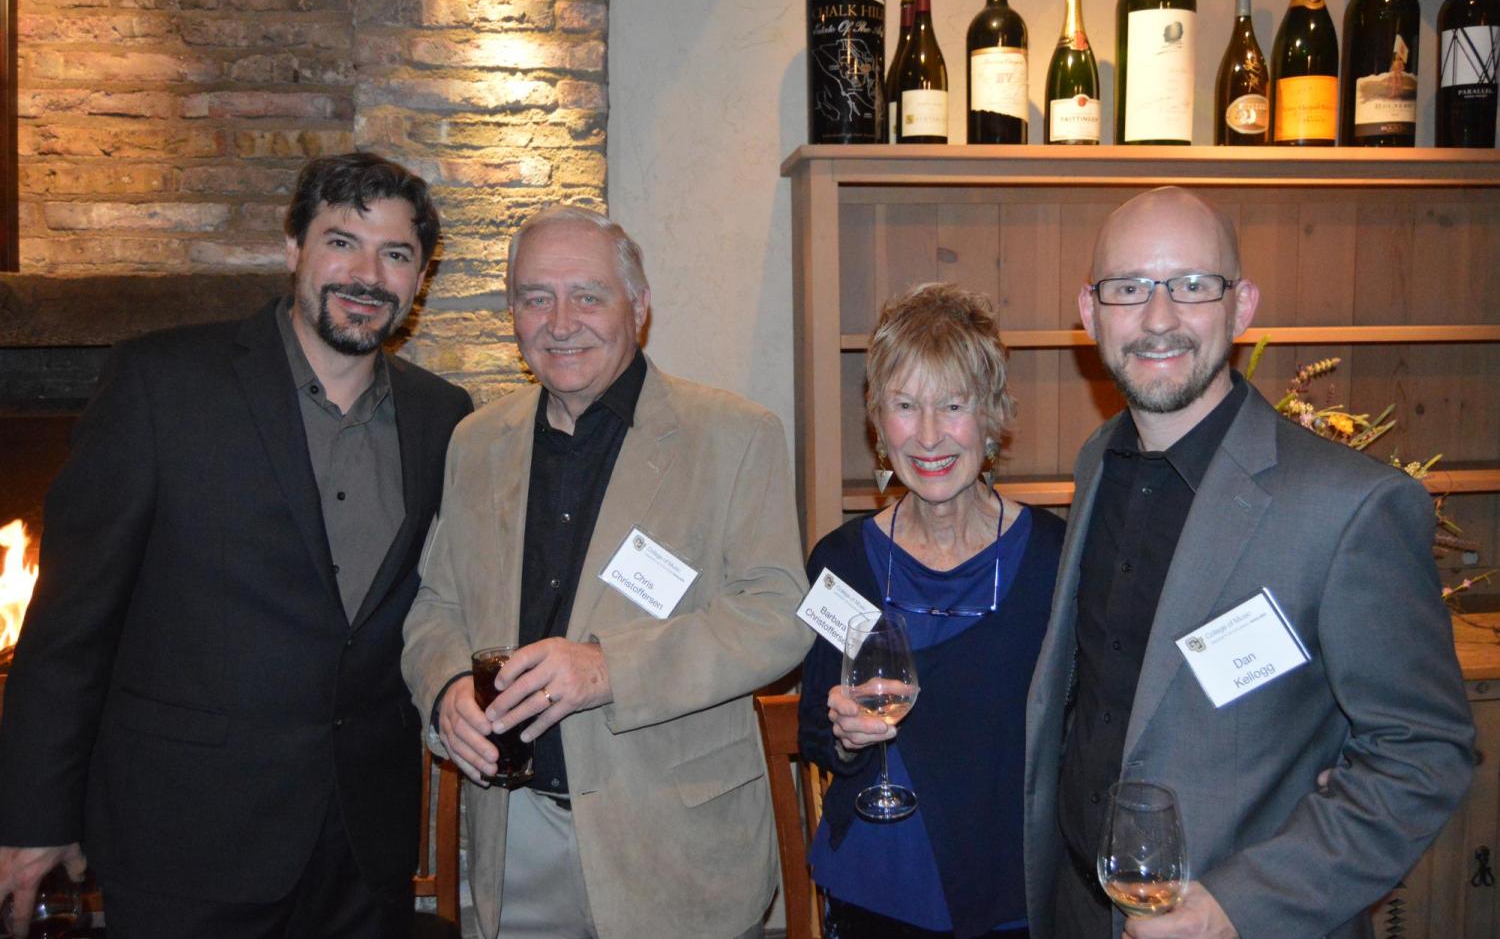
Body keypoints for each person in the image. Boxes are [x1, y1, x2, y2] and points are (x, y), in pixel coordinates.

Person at [0, 152, 473, 938]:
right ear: (292, 250)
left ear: (419, 279)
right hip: (186, 840)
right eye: (340, 242)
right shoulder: (162, 383)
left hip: (362, 845)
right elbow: (70, 622)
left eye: (395, 254)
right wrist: (35, 813)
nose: (366, 273)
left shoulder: (443, 416)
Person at [1022, 186, 1475, 939]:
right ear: (1090, 310)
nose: (1159, 318)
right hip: (1077, 903)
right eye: (1129, 288)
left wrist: (1237, 907)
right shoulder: (1099, 460)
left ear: (1242, 306)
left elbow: (1424, 754)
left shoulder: (1351, 507)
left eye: (1194, 286)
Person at [400, 204, 813, 939]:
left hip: (677, 848)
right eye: (535, 297)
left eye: (588, 295)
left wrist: (606, 668)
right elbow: (437, 604)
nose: (561, 321)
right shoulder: (475, 441)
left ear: (640, 308)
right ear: (512, 312)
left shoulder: (735, 436)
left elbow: (777, 614)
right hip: (515, 840)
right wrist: (445, 691)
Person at [798, 283, 1064, 939]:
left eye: (953, 405)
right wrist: (845, 736)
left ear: (993, 415)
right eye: (905, 406)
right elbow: (814, 730)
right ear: (878, 421)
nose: (928, 436)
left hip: (1020, 890)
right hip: (881, 887)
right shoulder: (842, 562)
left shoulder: (1057, 558)